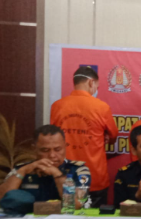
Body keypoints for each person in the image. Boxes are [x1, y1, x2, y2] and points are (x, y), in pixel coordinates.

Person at [50, 66, 118, 207]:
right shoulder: (101, 107)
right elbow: (113, 135)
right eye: (97, 86)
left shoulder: (57, 106)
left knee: (64, 218)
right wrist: (105, 137)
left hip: (64, 176)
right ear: (91, 82)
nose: (96, 90)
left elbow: (52, 137)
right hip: (94, 177)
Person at [0, 125, 90, 208]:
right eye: (45, 150)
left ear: (65, 146)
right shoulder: (22, 169)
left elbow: (76, 204)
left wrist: (57, 174)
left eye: (57, 149)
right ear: (34, 149)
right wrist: (22, 171)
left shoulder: (78, 170)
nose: (52, 155)